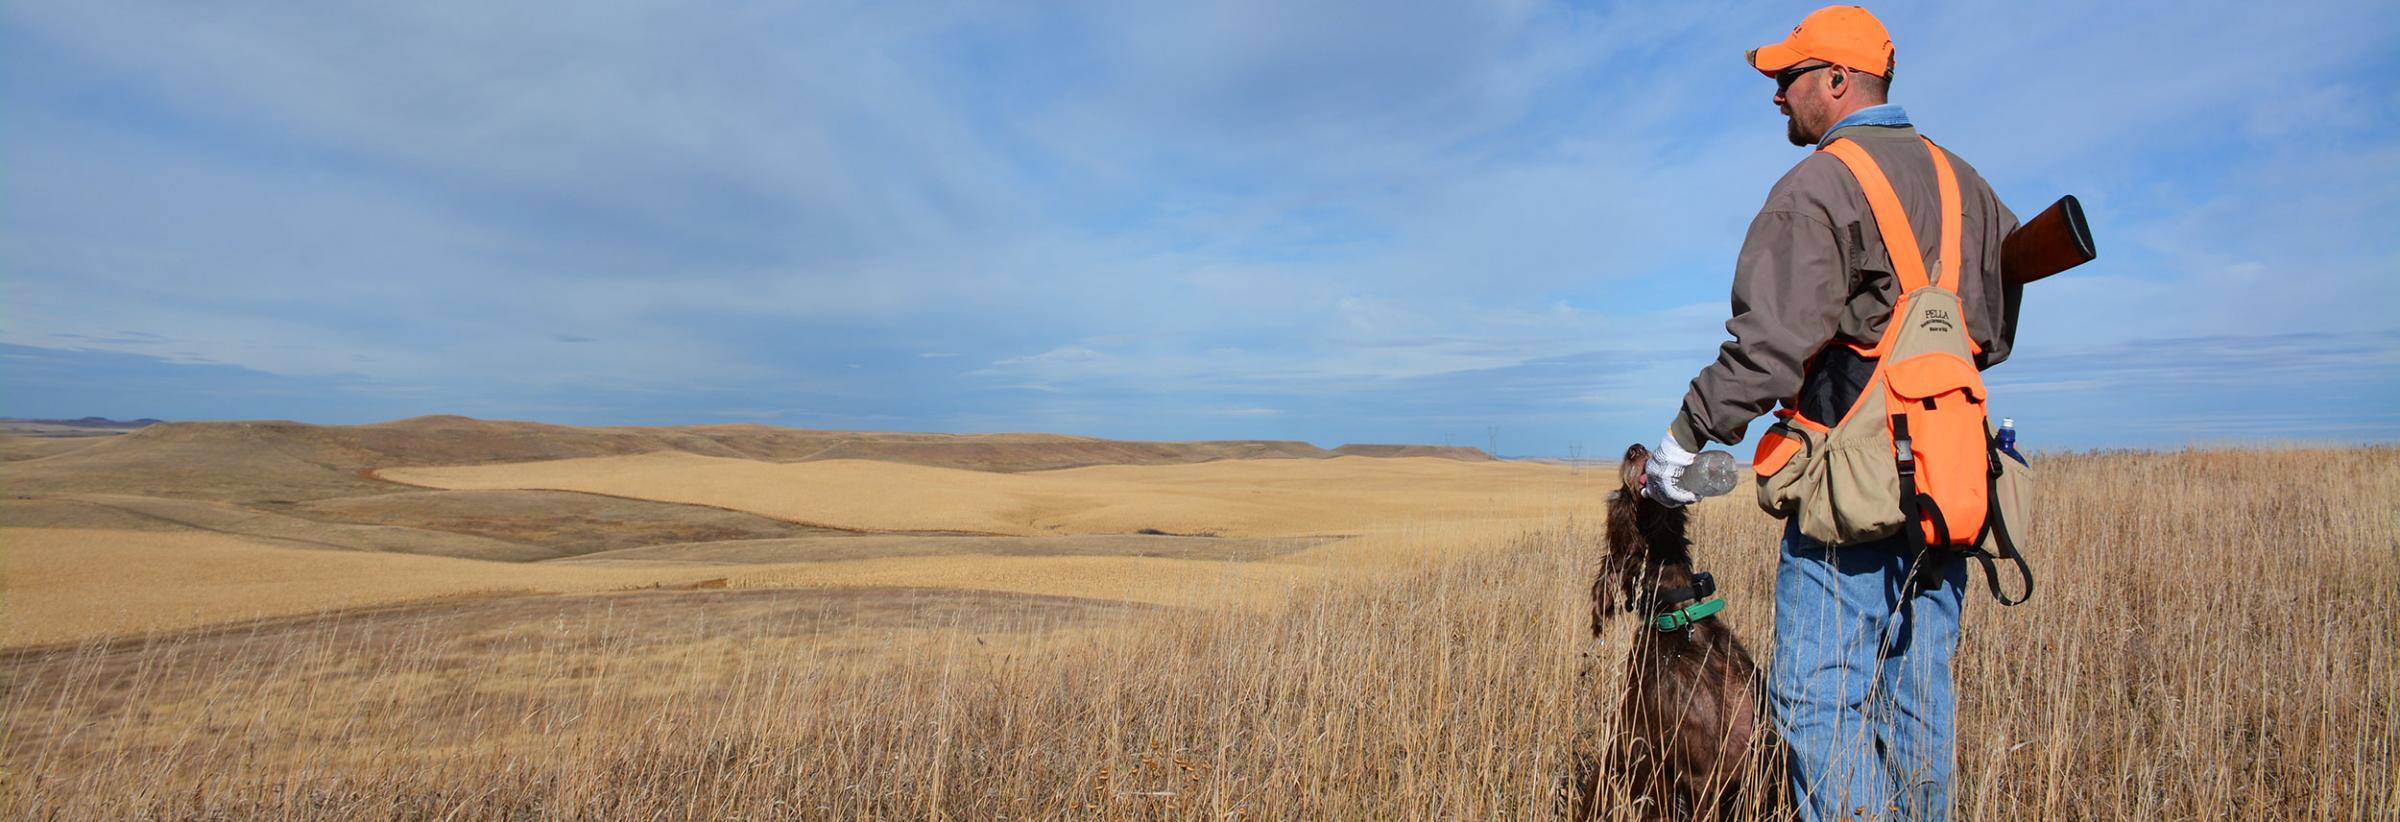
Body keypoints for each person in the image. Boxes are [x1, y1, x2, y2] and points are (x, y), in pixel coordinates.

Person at [1638, 6, 2022, 820]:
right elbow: (1987, 338)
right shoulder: (1971, 187)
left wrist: (1684, 439)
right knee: (1919, 706)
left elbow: (1768, 350)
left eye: (1789, 78)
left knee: (1816, 704)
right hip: (1950, 487)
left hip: (1851, 494)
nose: (1777, 96)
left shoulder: (1817, 187)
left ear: (1838, 81)